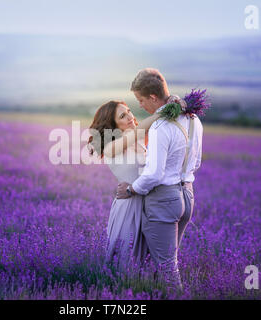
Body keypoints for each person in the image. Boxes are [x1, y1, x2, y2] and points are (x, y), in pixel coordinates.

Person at [116, 68, 203, 293]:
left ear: (153, 97)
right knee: (162, 265)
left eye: (141, 100)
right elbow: (197, 163)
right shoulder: (194, 120)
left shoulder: (160, 127)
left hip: (164, 199)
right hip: (187, 196)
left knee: (167, 271)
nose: (141, 106)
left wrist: (131, 190)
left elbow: (154, 174)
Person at [87, 97, 183, 270]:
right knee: (125, 264)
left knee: (149, 263)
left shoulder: (140, 141)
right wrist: (165, 109)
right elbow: (142, 128)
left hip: (149, 204)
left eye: (129, 111)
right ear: (113, 126)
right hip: (129, 207)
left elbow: (160, 129)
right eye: (123, 116)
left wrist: (174, 104)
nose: (130, 116)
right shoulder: (111, 147)